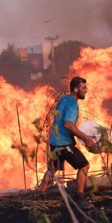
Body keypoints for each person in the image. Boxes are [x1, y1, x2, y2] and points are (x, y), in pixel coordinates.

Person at [40, 76, 96, 207]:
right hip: (63, 142)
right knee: (84, 166)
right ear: (75, 89)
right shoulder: (72, 103)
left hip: (54, 140)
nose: (86, 90)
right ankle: (80, 198)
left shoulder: (63, 98)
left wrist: (82, 136)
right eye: (83, 88)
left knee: (52, 168)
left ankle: (41, 194)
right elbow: (68, 124)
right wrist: (86, 138)